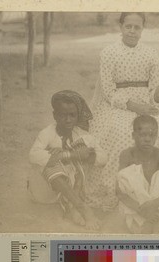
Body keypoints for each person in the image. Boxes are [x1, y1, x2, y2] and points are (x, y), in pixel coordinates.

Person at [87, 12, 159, 210]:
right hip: (117, 104)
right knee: (121, 134)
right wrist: (134, 106)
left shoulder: (150, 53)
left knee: (158, 133)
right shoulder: (108, 52)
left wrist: (158, 95)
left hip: (146, 103)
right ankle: (119, 193)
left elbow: (154, 89)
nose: (132, 31)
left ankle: (151, 191)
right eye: (128, 26)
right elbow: (108, 91)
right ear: (121, 27)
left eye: (136, 27)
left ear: (142, 29)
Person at [29, 90, 108, 231]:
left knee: (83, 149)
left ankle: (72, 207)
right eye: (63, 115)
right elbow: (33, 155)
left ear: (77, 116)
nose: (68, 120)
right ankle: (83, 208)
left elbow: (103, 158)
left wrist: (86, 155)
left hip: (72, 191)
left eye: (72, 115)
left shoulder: (82, 135)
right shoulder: (47, 133)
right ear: (55, 115)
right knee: (50, 163)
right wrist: (69, 155)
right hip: (45, 191)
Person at [116, 115, 159, 233]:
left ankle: (154, 219)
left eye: (151, 135)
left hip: (155, 202)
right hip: (135, 203)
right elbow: (119, 190)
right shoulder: (127, 155)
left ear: (156, 137)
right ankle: (147, 222)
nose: (147, 139)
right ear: (134, 136)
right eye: (143, 135)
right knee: (126, 175)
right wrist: (141, 210)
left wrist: (154, 204)